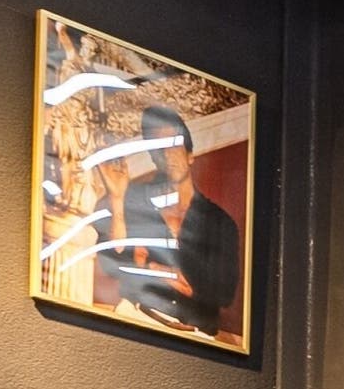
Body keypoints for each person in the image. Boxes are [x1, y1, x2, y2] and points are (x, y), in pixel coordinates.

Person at [87, 105, 242, 342]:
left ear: (190, 154)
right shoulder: (134, 200)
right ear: (152, 157)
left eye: (174, 145)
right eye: (159, 148)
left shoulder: (220, 223)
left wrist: (161, 271)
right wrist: (117, 199)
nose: (167, 155)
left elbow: (224, 294)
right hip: (140, 321)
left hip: (196, 337)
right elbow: (111, 263)